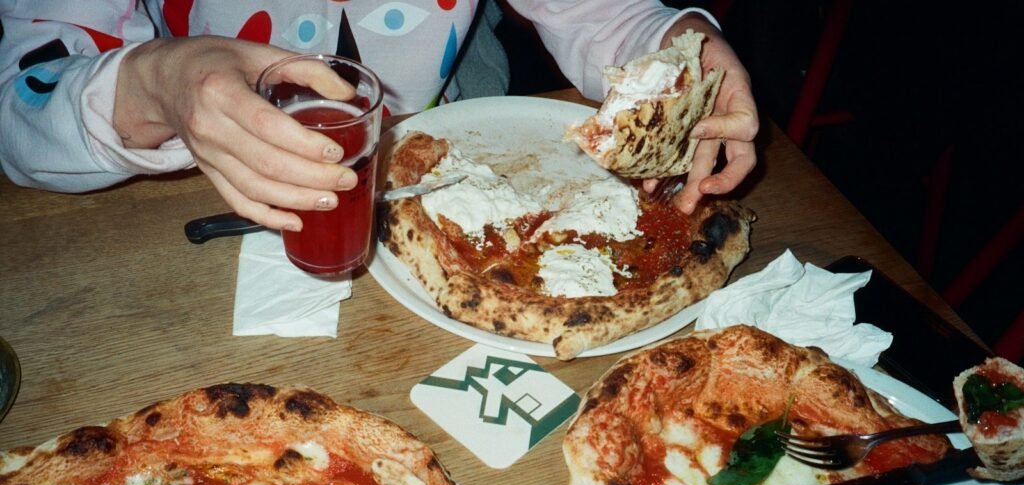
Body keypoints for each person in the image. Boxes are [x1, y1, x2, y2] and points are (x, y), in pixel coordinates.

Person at [0, 1, 758, 231]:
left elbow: (599, 15)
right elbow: (23, 97)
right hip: (189, 197)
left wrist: (679, 50)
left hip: (460, 184)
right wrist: (159, 83)